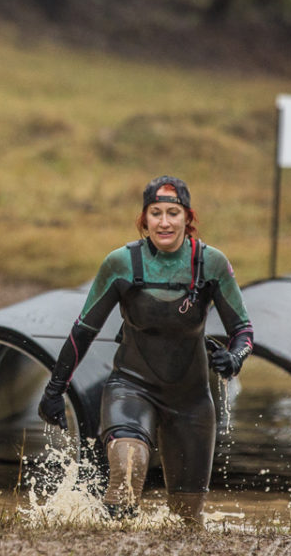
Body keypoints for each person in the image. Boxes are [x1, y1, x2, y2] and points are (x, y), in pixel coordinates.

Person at [37, 175, 254, 527]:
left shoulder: (211, 264)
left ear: (188, 218)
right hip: (131, 388)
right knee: (127, 468)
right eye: (156, 213)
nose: (164, 222)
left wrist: (234, 358)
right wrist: (54, 390)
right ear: (144, 219)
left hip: (192, 400)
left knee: (186, 521)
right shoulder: (120, 263)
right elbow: (83, 331)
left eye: (173, 213)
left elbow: (243, 331)